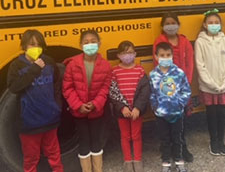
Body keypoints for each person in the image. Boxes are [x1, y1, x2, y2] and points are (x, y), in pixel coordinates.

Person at [7, 29, 63, 172]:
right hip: (29, 122)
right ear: (24, 46)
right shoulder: (16, 66)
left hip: (50, 119)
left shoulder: (49, 62)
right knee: (31, 158)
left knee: (54, 155)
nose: (35, 48)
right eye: (31, 44)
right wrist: (34, 69)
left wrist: (57, 105)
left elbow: (57, 83)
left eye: (38, 45)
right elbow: (14, 87)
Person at [62, 30, 111, 172]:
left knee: (96, 141)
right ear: (80, 45)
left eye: (93, 41)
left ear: (99, 43)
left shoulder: (106, 66)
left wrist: (95, 104)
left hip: (97, 111)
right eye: (86, 42)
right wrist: (78, 106)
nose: (90, 44)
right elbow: (67, 88)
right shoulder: (73, 65)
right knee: (83, 141)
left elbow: (105, 88)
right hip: (79, 112)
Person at [153, 12, 194, 162]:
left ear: (178, 24)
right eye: (167, 23)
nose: (171, 26)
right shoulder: (159, 42)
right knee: (166, 122)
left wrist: (185, 83)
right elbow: (157, 65)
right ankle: (168, 149)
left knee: (181, 122)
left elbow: (190, 63)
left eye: (173, 23)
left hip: (182, 89)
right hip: (167, 90)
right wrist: (168, 90)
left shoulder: (184, 41)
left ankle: (182, 148)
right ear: (163, 27)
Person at [194, 9, 225, 156]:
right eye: (210, 23)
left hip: (224, 86)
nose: (213, 25)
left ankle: (221, 141)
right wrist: (211, 84)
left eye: (216, 22)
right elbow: (200, 65)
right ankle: (213, 142)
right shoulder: (200, 42)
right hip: (208, 87)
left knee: (222, 114)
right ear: (204, 25)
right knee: (211, 115)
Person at [109, 41, 150, 172]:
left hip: (137, 111)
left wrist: (138, 107)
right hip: (123, 111)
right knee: (125, 136)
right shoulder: (114, 71)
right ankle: (128, 160)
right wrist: (122, 107)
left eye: (131, 52)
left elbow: (145, 90)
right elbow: (113, 92)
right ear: (118, 55)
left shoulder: (140, 70)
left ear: (135, 54)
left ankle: (137, 160)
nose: (128, 55)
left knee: (136, 135)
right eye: (124, 53)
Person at [150, 42, 191, 172]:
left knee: (177, 138)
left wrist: (180, 103)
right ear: (156, 57)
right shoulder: (153, 75)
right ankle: (166, 162)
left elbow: (186, 91)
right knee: (164, 139)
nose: (165, 57)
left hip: (177, 113)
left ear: (172, 56)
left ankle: (179, 161)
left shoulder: (179, 73)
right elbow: (151, 93)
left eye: (168, 55)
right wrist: (155, 106)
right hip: (161, 114)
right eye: (162, 55)